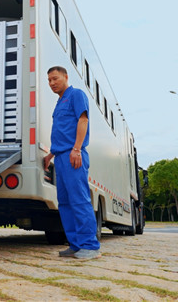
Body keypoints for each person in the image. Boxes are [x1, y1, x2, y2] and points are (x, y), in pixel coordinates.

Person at [43, 66, 101, 259]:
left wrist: (77, 149)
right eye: (49, 80)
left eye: (55, 78)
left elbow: (83, 121)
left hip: (73, 155)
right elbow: (63, 132)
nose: (52, 83)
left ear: (66, 77)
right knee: (65, 203)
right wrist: (50, 156)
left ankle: (90, 246)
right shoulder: (59, 102)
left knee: (79, 200)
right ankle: (76, 245)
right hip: (60, 157)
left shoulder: (76, 95)